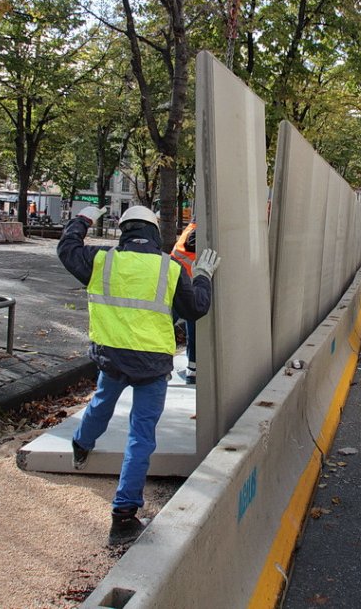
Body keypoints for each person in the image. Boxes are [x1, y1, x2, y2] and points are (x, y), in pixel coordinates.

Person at [57, 205, 219, 546]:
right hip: (152, 365)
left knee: (101, 403)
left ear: (124, 230)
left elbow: (66, 248)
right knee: (141, 436)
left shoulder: (102, 260)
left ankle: (81, 445)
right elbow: (196, 309)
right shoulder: (170, 267)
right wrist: (203, 275)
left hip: (112, 358)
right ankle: (124, 517)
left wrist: (83, 220)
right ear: (154, 232)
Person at [170, 221, 198, 384]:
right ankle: (192, 370)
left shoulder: (192, 228)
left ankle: (192, 369)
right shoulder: (196, 231)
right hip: (185, 285)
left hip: (178, 282)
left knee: (166, 324)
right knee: (193, 327)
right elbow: (193, 245)